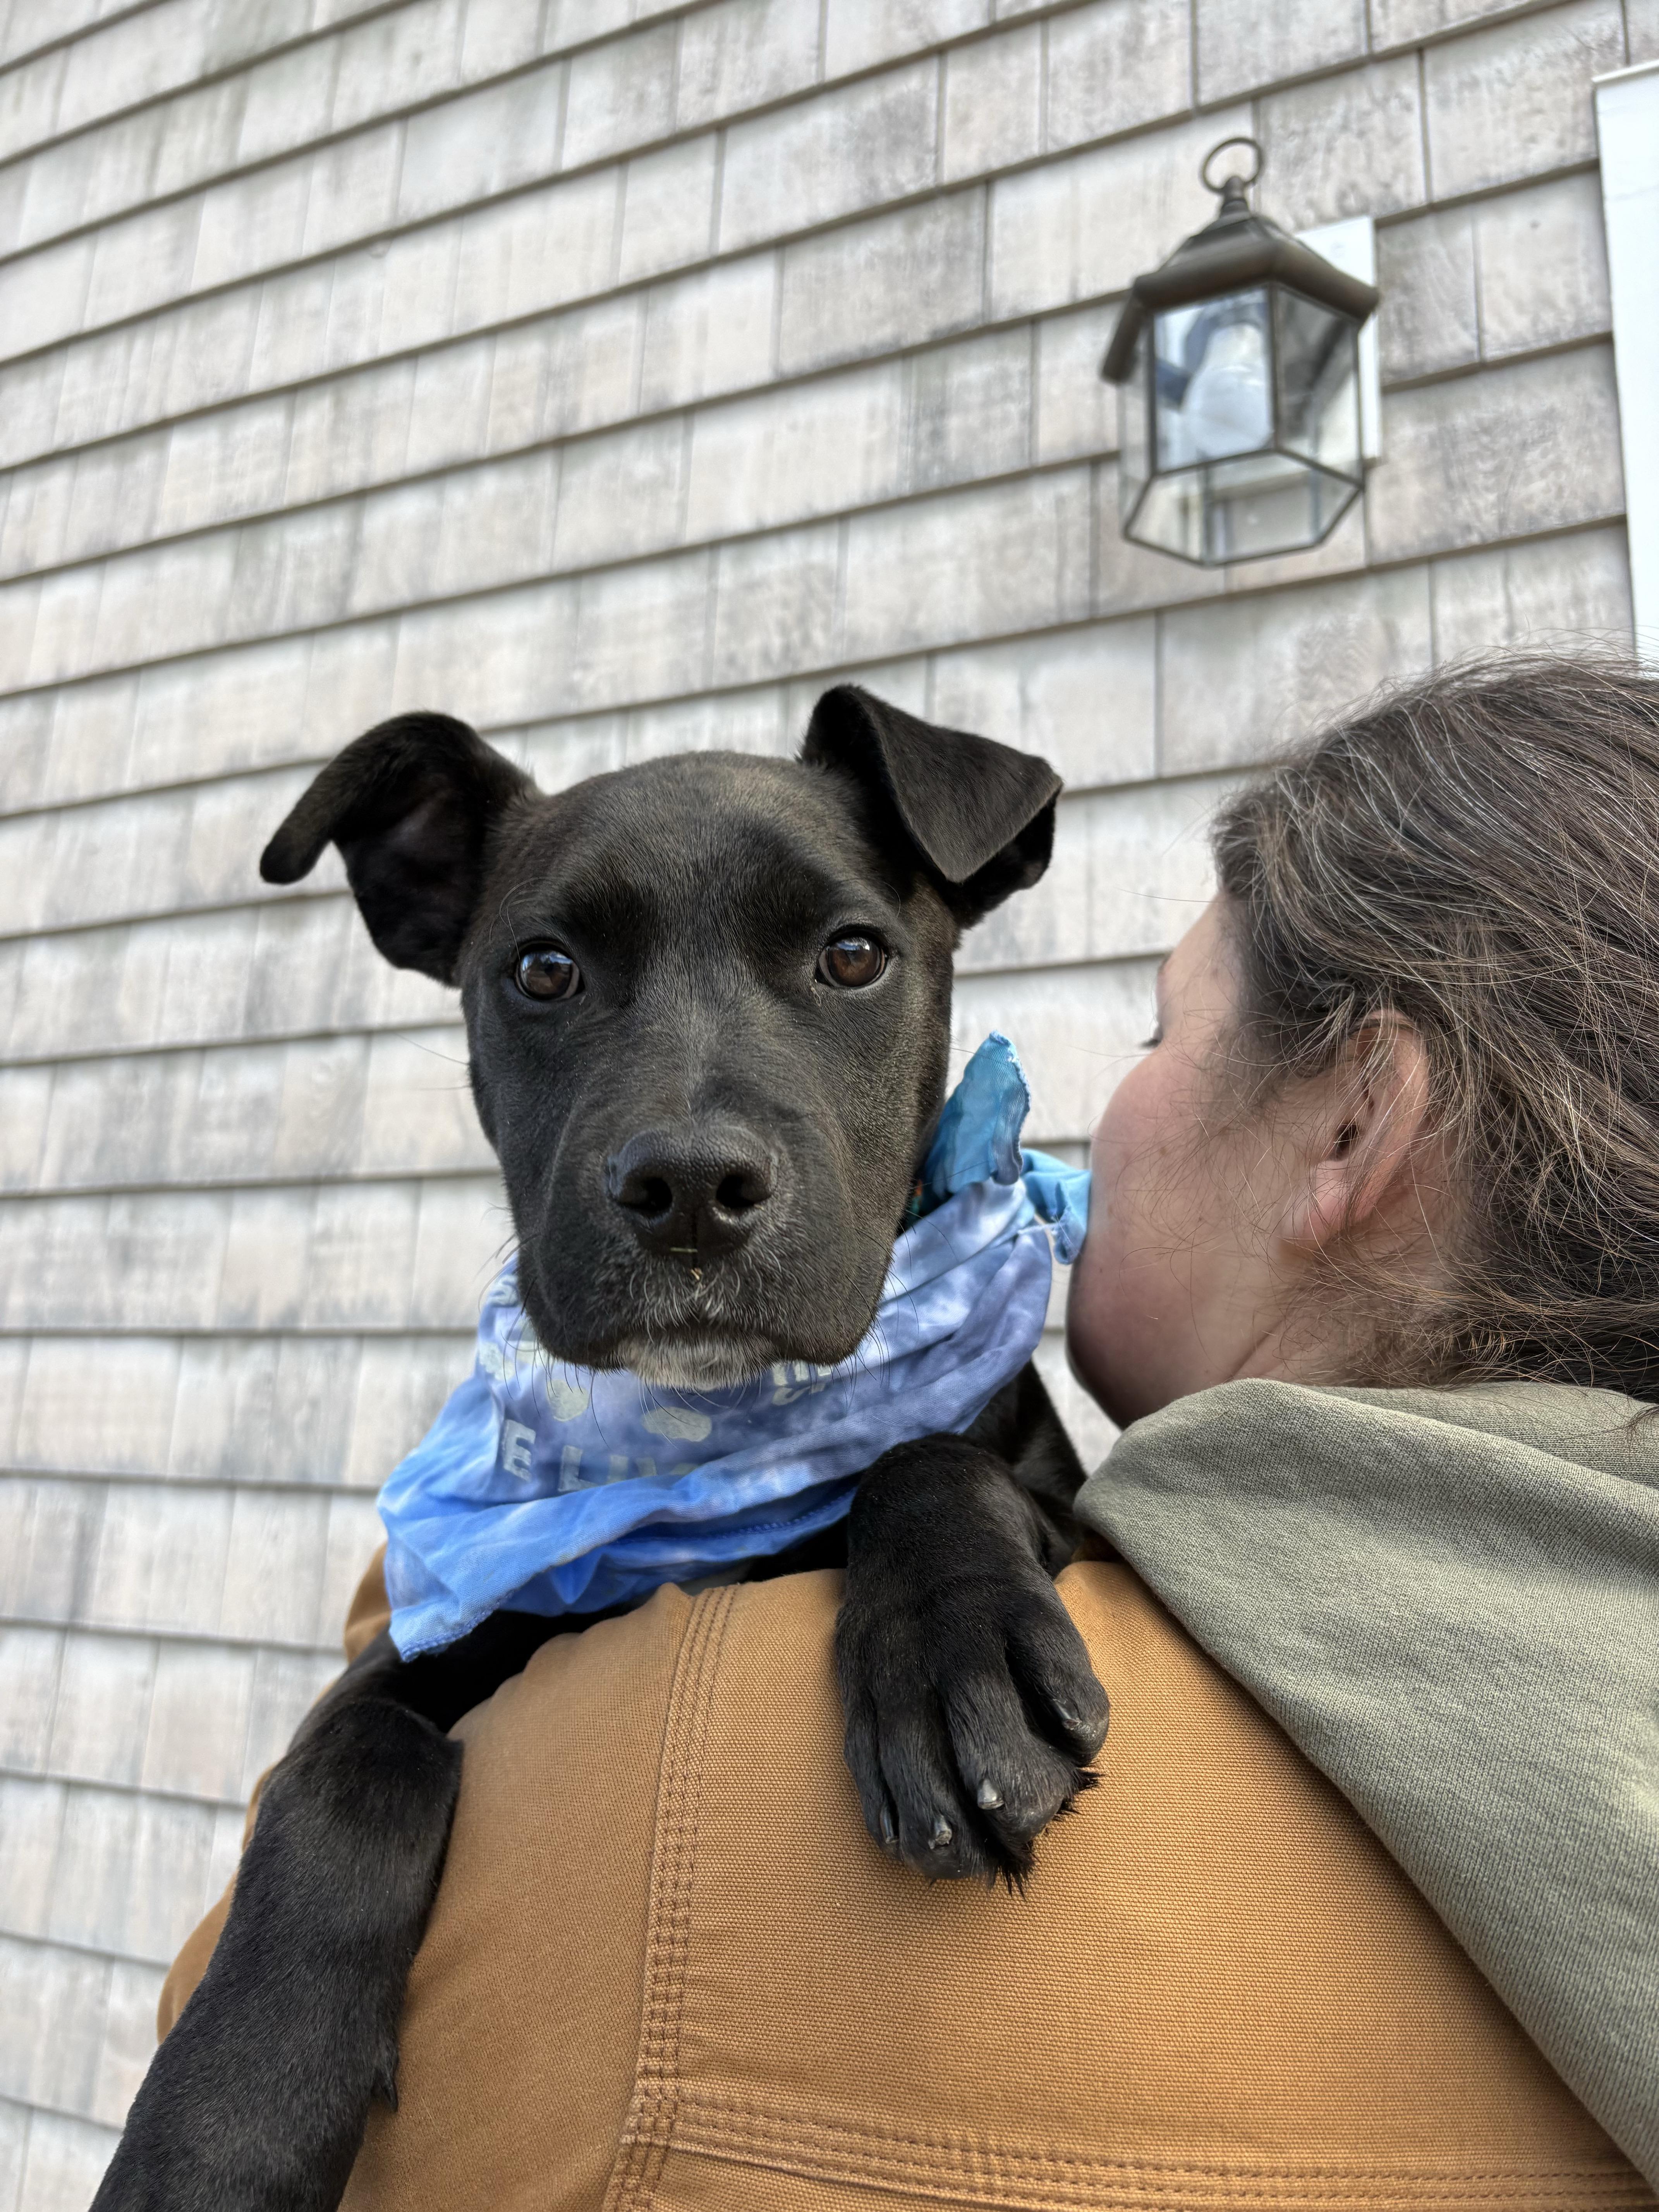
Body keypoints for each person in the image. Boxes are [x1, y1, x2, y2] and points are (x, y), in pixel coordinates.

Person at [161, 658, 1659, 2208]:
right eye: (550, 978)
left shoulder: (662, 1815)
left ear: (1358, 1126)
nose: (690, 1141)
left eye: (847, 956)